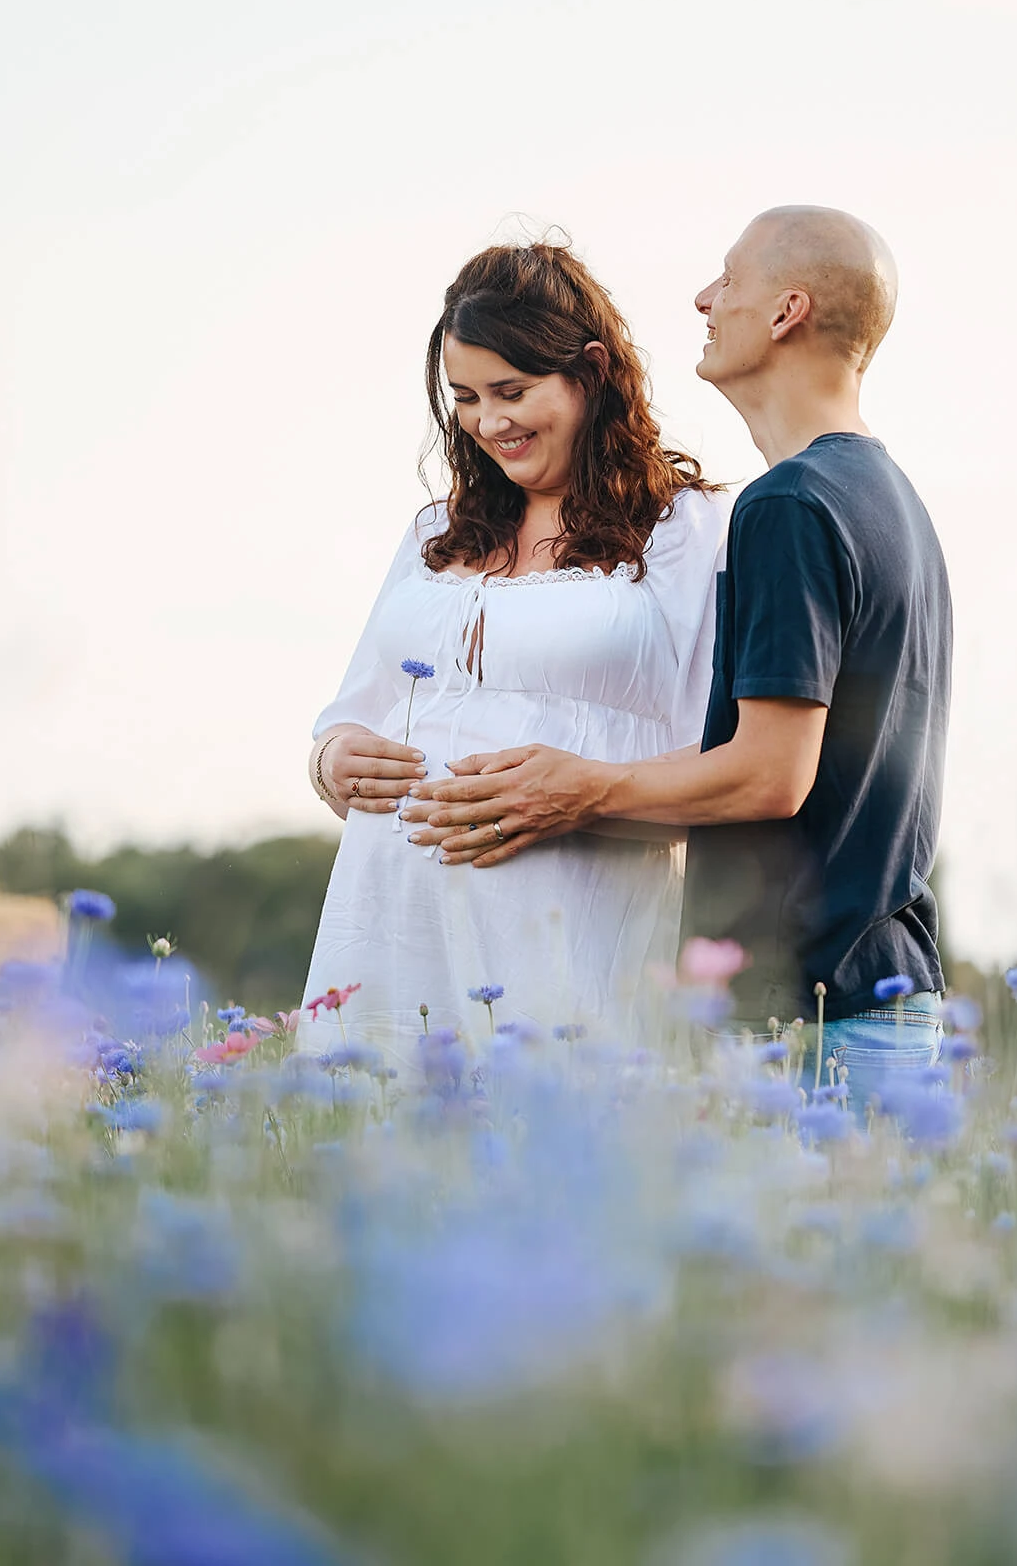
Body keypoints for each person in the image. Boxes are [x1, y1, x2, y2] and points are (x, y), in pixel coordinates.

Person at [402, 206, 952, 1106]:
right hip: (882, 997)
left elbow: (770, 776)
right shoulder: (888, 498)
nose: (703, 298)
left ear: (786, 312)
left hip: (814, 1024)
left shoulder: (788, 506)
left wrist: (576, 789)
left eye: (728, 280)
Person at [299, 240, 728, 1063]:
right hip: (386, 922)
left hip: (567, 922)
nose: (488, 422)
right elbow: (348, 715)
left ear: (591, 372)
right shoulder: (434, 532)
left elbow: (716, 751)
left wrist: (584, 795)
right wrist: (333, 759)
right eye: (465, 397)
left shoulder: (684, 530)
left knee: (548, 1158)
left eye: (512, 390)